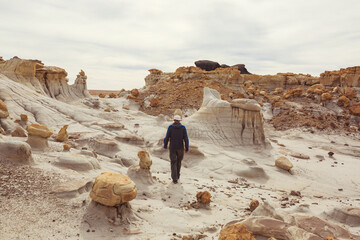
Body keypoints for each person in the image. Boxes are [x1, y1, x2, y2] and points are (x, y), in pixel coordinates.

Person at [163, 115, 189, 184]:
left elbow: (167, 137)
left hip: (172, 147)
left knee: (173, 162)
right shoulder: (183, 128)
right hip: (180, 147)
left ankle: (174, 179)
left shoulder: (170, 127)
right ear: (179, 120)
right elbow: (186, 138)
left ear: (174, 120)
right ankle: (177, 176)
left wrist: (165, 145)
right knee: (179, 161)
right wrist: (187, 148)